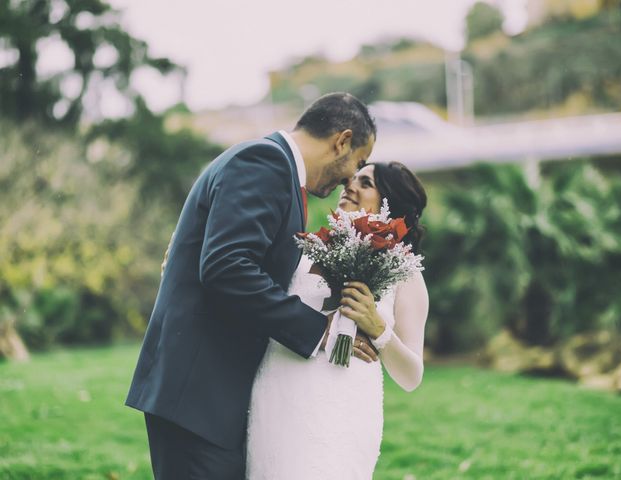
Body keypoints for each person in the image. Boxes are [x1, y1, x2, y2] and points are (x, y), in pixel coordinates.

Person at [125, 92, 377, 479]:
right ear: (341, 141)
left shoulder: (277, 172)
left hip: (210, 394)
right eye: (357, 163)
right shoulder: (264, 163)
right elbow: (227, 267)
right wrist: (320, 331)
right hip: (198, 392)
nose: (350, 179)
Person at [246, 161, 429, 479]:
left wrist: (380, 330)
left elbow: (412, 376)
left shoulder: (406, 276)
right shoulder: (303, 254)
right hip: (276, 399)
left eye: (365, 182)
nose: (350, 185)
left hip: (341, 410)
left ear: (391, 202)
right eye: (351, 179)